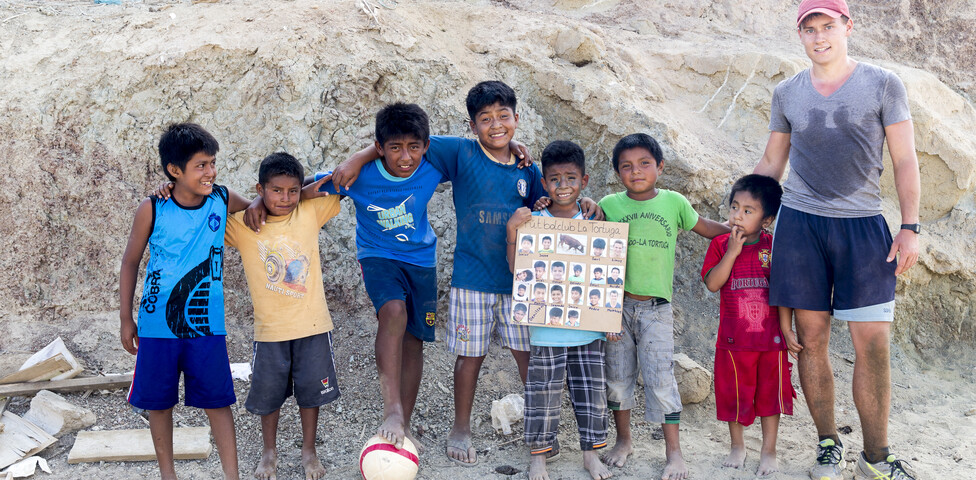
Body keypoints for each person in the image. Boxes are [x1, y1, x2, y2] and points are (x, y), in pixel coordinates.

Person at [754, 2, 920, 479]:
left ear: (848, 26)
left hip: (863, 226)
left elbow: (905, 159)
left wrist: (909, 227)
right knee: (810, 340)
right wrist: (741, 213)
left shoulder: (884, 84)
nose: (819, 36)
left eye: (828, 26)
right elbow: (772, 163)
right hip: (800, 226)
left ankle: (877, 456)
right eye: (810, 29)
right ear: (800, 35)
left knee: (872, 345)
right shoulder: (787, 92)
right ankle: (828, 444)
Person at [307, 103, 446, 453]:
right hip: (378, 256)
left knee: (414, 339)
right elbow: (305, 188)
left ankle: (405, 424)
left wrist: (517, 151)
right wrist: (261, 202)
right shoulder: (359, 175)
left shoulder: (432, 166)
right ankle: (393, 411)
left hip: (421, 260)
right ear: (380, 147)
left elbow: (479, 155)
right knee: (393, 312)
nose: (406, 157)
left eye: (414, 147)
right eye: (395, 148)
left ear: (425, 146)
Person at [119, 123, 250, 480]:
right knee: (159, 404)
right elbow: (130, 262)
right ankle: (168, 475)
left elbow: (258, 209)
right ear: (174, 171)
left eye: (212, 163)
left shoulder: (222, 199)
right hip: (156, 325)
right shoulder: (153, 207)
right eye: (201, 165)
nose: (210, 172)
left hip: (206, 325)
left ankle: (232, 476)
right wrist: (125, 319)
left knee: (218, 402)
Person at [598, 133, 730, 479]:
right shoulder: (609, 205)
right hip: (616, 308)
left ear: (660, 167)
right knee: (617, 378)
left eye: (644, 164)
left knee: (661, 380)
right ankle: (623, 441)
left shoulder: (673, 203)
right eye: (626, 166)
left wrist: (737, 231)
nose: (635, 171)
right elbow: (586, 242)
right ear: (616, 172)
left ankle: (674, 453)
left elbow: (706, 228)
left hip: (657, 310)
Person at [224, 153, 342, 480]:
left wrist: (304, 191)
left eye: (292, 191)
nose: (285, 199)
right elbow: (210, 197)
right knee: (269, 396)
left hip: (313, 324)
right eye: (276, 191)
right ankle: (269, 452)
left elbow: (340, 179)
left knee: (310, 394)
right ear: (260, 188)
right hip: (270, 330)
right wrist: (249, 203)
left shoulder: (310, 210)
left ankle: (309, 451)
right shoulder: (244, 224)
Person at [506, 140, 611, 480]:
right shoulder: (534, 221)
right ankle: (538, 457)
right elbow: (514, 269)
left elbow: (610, 270)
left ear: (584, 179)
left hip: (590, 328)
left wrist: (609, 315)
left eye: (571, 178)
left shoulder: (595, 220)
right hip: (546, 329)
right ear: (544, 182)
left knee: (591, 394)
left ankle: (591, 455)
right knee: (542, 395)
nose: (563, 186)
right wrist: (512, 232)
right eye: (554, 179)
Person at [701, 174, 793, 476]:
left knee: (769, 398)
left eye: (748, 211)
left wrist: (786, 330)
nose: (738, 216)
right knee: (734, 396)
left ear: (766, 220)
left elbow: (781, 294)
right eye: (735, 207)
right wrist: (732, 253)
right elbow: (713, 284)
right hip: (733, 342)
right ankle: (738, 446)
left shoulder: (774, 248)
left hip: (770, 342)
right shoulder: (719, 244)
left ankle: (769, 450)